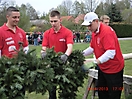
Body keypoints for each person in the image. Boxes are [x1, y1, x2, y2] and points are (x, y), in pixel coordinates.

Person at [82, 12, 124, 99]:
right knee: (102, 94)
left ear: (96, 21)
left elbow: (111, 52)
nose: (88, 28)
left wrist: (95, 62)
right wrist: (81, 54)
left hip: (114, 69)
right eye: (87, 26)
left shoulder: (106, 32)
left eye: (90, 25)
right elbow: (92, 48)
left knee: (113, 95)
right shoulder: (94, 32)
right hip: (103, 68)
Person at [41, 10, 73, 99]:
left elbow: (69, 46)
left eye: (55, 21)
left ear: (60, 20)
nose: (53, 23)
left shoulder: (67, 32)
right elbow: (44, 47)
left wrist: (66, 55)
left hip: (64, 64)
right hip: (51, 64)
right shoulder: (47, 33)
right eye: (51, 21)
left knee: (65, 90)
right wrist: (43, 53)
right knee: (51, 90)